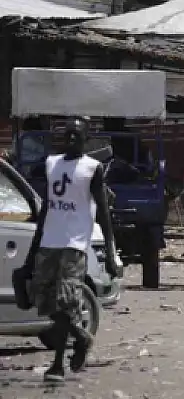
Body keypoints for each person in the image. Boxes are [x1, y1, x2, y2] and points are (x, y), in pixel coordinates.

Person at [22, 118, 121, 383]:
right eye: (68, 136)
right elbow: (46, 208)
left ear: (86, 139)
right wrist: (32, 252)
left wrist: (111, 252)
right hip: (49, 241)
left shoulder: (92, 168)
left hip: (74, 244)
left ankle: (57, 364)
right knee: (43, 301)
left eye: (77, 136)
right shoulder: (51, 163)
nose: (72, 140)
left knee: (66, 303)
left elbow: (103, 211)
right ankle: (81, 337)